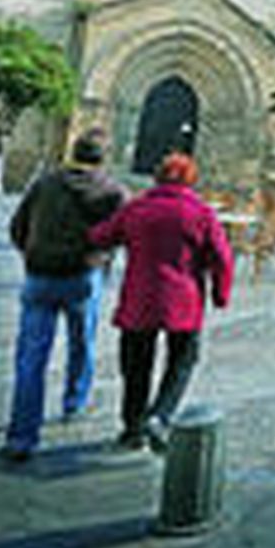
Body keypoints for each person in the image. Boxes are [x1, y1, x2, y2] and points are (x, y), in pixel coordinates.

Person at [88, 152, 234, 453]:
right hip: (183, 300)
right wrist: (220, 294)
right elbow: (222, 258)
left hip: (140, 299)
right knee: (182, 360)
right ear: (191, 180)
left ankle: (132, 428)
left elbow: (102, 236)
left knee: (135, 365)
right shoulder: (201, 213)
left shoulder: (137, 208)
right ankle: (160, 415)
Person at [2, 129, 126, 461]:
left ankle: (21, 437)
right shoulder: (112, 191)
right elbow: (117, 236)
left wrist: (33, 252)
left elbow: (17, 227)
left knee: (30, 357)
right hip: (82, 277)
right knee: (82, 341)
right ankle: (75, 400)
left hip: (40, 276)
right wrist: (99, 258)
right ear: (104, 158)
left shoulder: (45, 182)